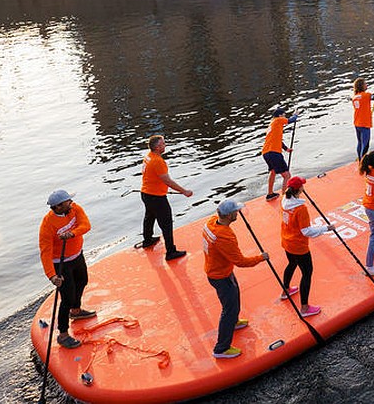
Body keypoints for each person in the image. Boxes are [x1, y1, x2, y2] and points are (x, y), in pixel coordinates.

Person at [202, 199, 269, 359]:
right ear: (229, 215)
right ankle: (221, 348)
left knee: (234, 297)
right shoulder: (225, 236)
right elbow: (240, 261)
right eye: (236, 211)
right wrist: (260, 258)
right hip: (221, 276)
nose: (238, 213)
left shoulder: (211, 222)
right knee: (229, 310)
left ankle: (235, 321)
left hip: (218, 270)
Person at [39, 190, 96, 350]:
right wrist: (52, 276)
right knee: (67, 297)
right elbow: (45, 252)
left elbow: (86, 225)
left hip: (77, 255)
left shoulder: (75, 209)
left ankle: (76, 311)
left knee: (83, 281)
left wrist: (72, 234)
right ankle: (63, 335)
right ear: (57, 207)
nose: (71, 202)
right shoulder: (47, 225)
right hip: (60, 263)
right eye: (67, 202)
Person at [279, 176, 335, 317]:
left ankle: (285, 290)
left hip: (287, 241)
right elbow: (307, 231)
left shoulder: (284, 201)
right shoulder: (301, 208)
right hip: (299, 246)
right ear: (300, 189)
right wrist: (325, 228)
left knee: (291, 264)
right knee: (307, 273)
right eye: (303, 185)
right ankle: (304, 308)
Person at [139, 135, 193, 261]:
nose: (165, 145)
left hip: (146, 193)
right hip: (156, 197)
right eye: (163, 144)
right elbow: (167, 181)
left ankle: (147, 240)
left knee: (149, 217)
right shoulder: (158, 161)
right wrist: (184, 191)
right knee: (166, 223)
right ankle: (171, 252)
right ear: (158, 147)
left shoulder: (148, 156)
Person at [261, 108, 298, 200]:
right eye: (284, 115)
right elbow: (291, 120)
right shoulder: (278, 120)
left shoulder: (272, 125)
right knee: (287, 175)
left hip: (266, 153)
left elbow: (277, 140)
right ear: (280, 115)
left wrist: (286, 149)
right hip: (274, 153)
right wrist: (296, 114)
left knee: (273, 172)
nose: (284, 117)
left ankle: (270, 194)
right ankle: (286, 196)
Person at [351, 78, 374, 161]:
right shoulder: (366, 95)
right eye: (365, 84)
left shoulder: (354, 97)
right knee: (366, 145)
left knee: (360, 143)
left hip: (357, 123)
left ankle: (360, 159)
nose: (366, 85)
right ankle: (363, 163)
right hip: (364, 124)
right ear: (361, 86)